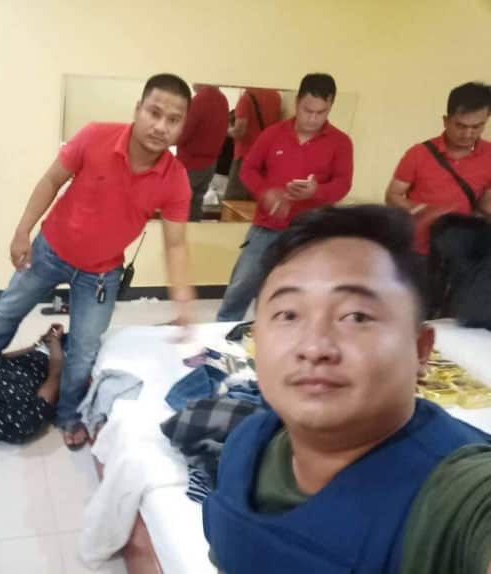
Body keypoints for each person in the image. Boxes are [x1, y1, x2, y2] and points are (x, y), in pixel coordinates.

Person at [204, 205, 491, 574]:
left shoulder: (458, 497)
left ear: (421, 349)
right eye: (288, 315)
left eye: (356, 316)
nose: (314, 346)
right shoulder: (246, 444)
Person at [0, 73, 196, 449]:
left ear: (182, 126)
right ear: (137, 109)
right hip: (50, 250)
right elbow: (51, 181)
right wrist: (23, 231)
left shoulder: (175, 180)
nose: (161, 127)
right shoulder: (94, 137)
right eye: (154, 113)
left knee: (84, 351)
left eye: (173, 120)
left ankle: (68, 413)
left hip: (101, 274)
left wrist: (183, 298)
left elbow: (175, 245)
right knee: (8, 308)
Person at [217, 73, 353, 322]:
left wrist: (316, 192)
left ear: (331, 106)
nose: (313, 118)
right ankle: (219, 335)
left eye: (321, 112)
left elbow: (343, 184)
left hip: (310, 232)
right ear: (298, 101)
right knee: (240, 288)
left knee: (296, 297)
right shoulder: (273, 134)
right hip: (266, 227)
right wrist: (264, 193)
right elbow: (248, 169)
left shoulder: (341, 142)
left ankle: (276, 337)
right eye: (308, 110)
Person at [385, 82, 491, 256]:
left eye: (477, 127)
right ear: (446, 121)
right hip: (418, 249)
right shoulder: (418, 153)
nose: (468, 134)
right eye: (460, 126)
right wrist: (422, 209)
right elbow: (392, 196)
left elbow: (486, 205)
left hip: (462, 251)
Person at [176, 83, 230, 220]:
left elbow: (183, 134)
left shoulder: (199, 100)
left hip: (191, 162)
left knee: (179, 204)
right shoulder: (222, 99)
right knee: (196, 203)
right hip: (210, 163)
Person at [224, 87, 282, 200]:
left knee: (233, 199)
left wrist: (226, 130)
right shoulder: (275, 96)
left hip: (245, 155)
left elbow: (239, 131)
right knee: (255, 197)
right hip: (266, 156)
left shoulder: (246, 99)